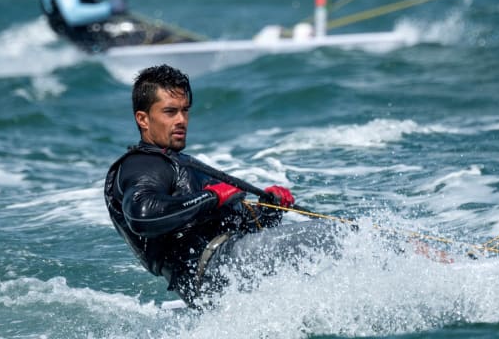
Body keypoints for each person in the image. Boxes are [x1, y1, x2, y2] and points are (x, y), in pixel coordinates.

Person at [104, 64, 337, 308]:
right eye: (170, 112)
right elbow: (142, 216)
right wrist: (210, 197)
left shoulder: (178, 163)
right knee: (334, 235)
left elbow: (229, 224)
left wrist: (269, 211)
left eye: (185, 111)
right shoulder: (141, 165)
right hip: (216, 268)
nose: (181, 120)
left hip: (222, 273)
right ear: (143, 119)